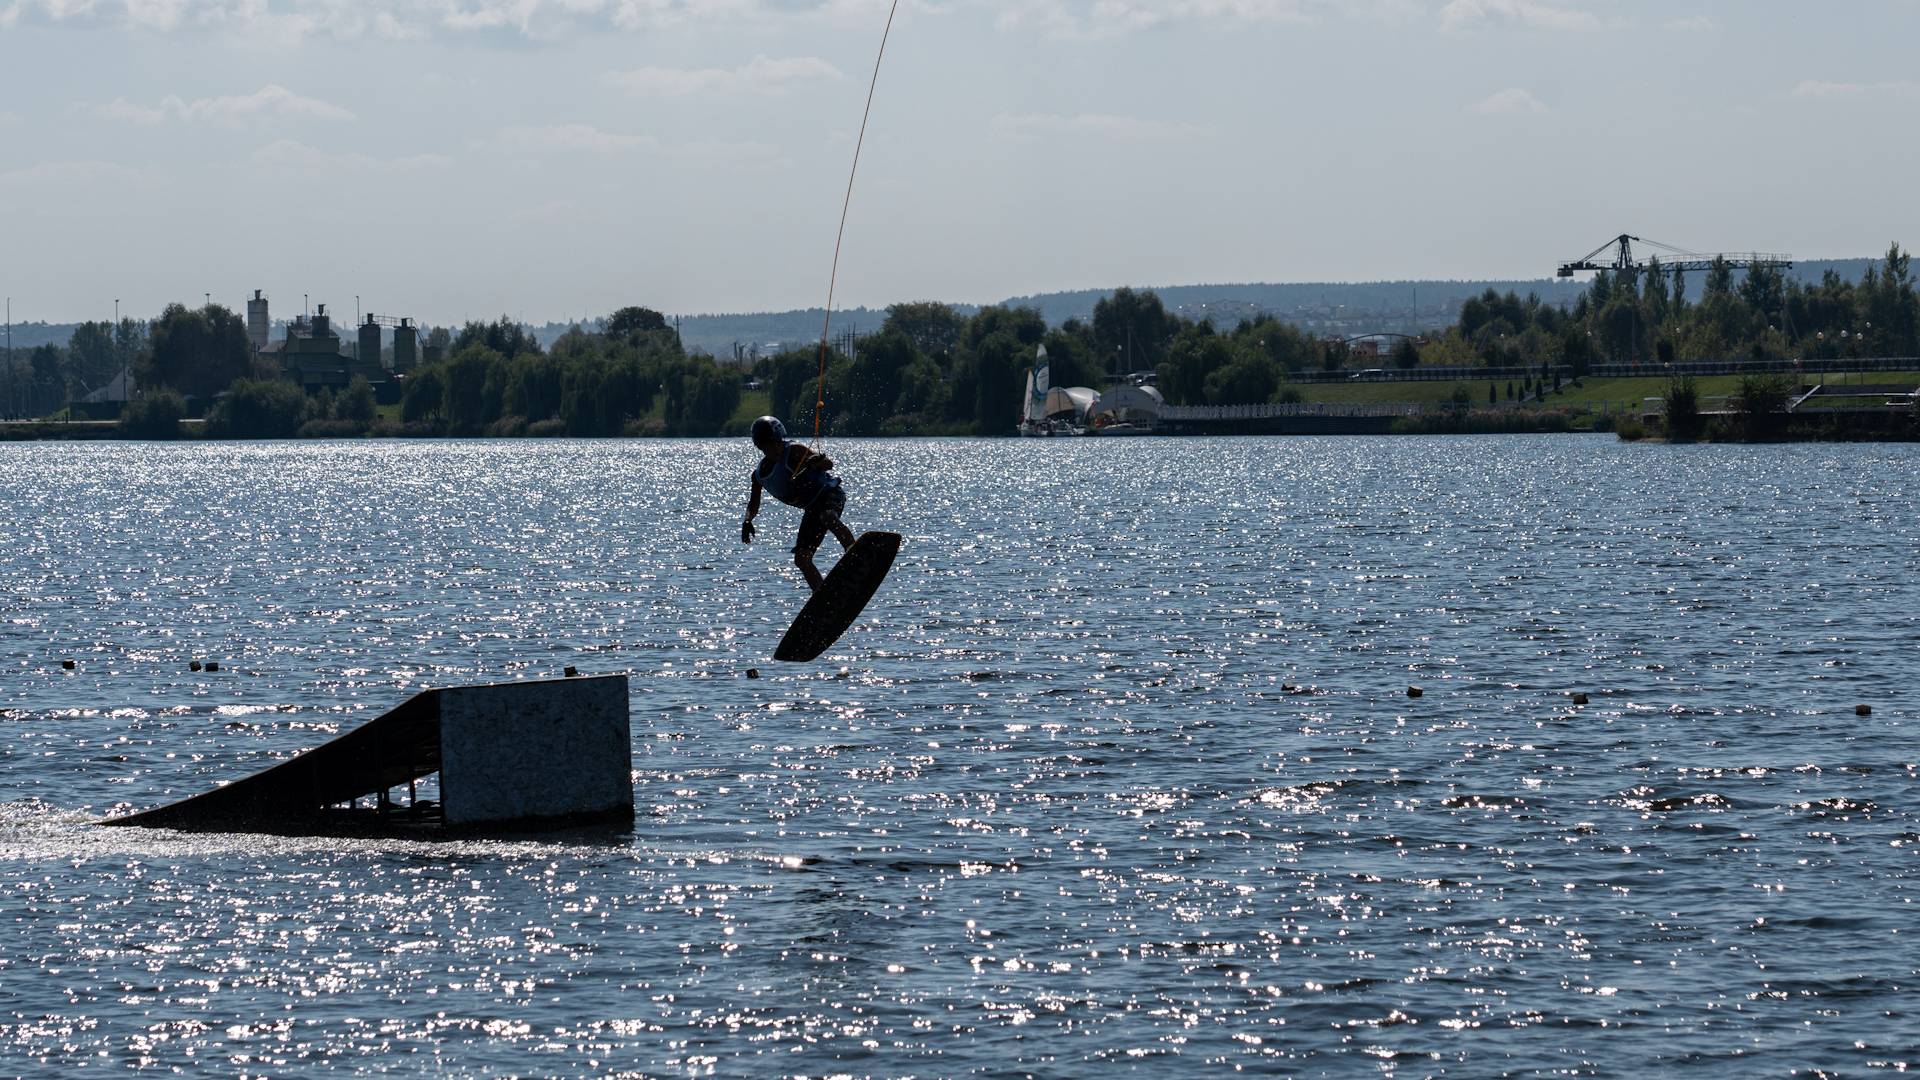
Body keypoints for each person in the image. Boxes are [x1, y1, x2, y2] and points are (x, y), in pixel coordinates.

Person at [740, 416, 855, 591]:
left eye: (777, 442)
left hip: (829, 494)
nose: (775, 448)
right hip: (812, 508)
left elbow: (828, 464)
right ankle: (822, 597)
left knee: (828, 516)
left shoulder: (795, 451)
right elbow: (753, 504)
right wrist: (747, 521)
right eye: (769, 445)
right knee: (801, 558)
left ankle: (853, 552)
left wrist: (815, 463)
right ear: (761, 447)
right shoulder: (759, 475)